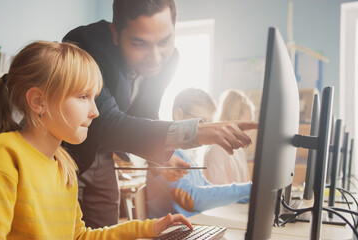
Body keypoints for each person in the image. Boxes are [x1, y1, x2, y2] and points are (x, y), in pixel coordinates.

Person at [0, 41, 192, 239]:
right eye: (83, 97)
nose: (95, 111)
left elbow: (79, 236)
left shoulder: (63, 165)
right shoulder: (0, 156)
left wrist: (149, 228)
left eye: (94, 98)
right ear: (38, 101)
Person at [63, 0, 257, 228]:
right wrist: (196, 131)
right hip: (68, 152)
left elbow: (146, 113)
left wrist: (159, 156)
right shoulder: (86, 44)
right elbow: (105, 121)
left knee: (105, 228)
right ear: (116, 34)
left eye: (165, 41)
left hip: (103, 154)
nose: (155, 57)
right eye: (139, 44)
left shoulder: (170, 59)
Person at [146, 88, 252, 218]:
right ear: (178, 115)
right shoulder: (166, 155)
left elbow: (206, 188)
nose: (208, 129)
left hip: (193, 227)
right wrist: (248, 189)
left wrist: (248, 195)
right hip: (169, 233)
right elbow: (192, 198)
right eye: (201, 122)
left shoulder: (188, 156)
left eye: (209, 123)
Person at [203, 89, 256, 185]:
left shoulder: (239, 151)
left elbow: (246, 186)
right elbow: (219, 193)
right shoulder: (216, 150)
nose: (249, 133)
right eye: (245, 127)